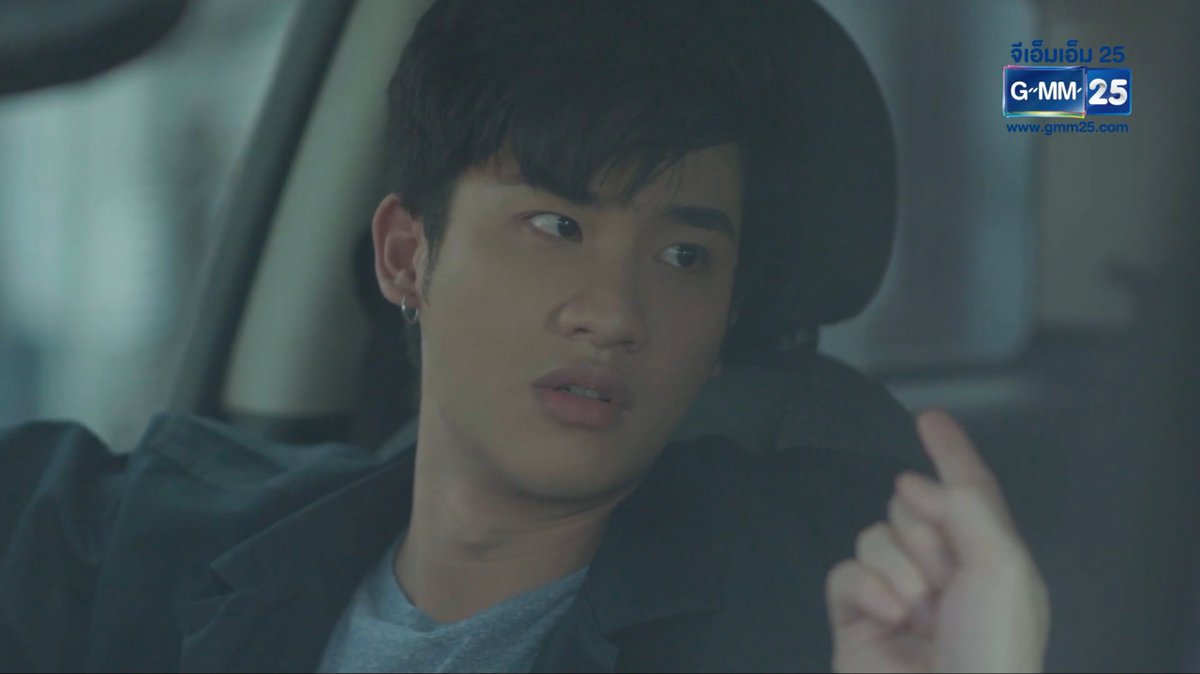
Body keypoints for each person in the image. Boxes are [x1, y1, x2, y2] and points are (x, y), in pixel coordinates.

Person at [0, 1, 1049, 671]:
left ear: (725, 324)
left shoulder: (824, 593)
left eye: (684, 255)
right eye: (556, 227)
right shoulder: (148, 538)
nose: (614, 312)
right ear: (407, 256)